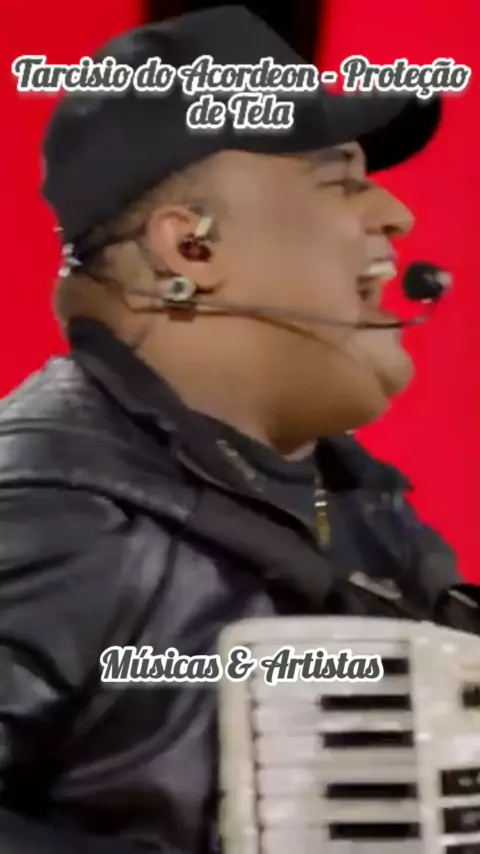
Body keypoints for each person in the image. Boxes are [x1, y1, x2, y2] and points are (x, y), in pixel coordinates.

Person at [1, 6, 478, 854]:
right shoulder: (50, 511)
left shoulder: (359, 510)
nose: (396, 215)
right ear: (192, 248)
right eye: (342, 182)